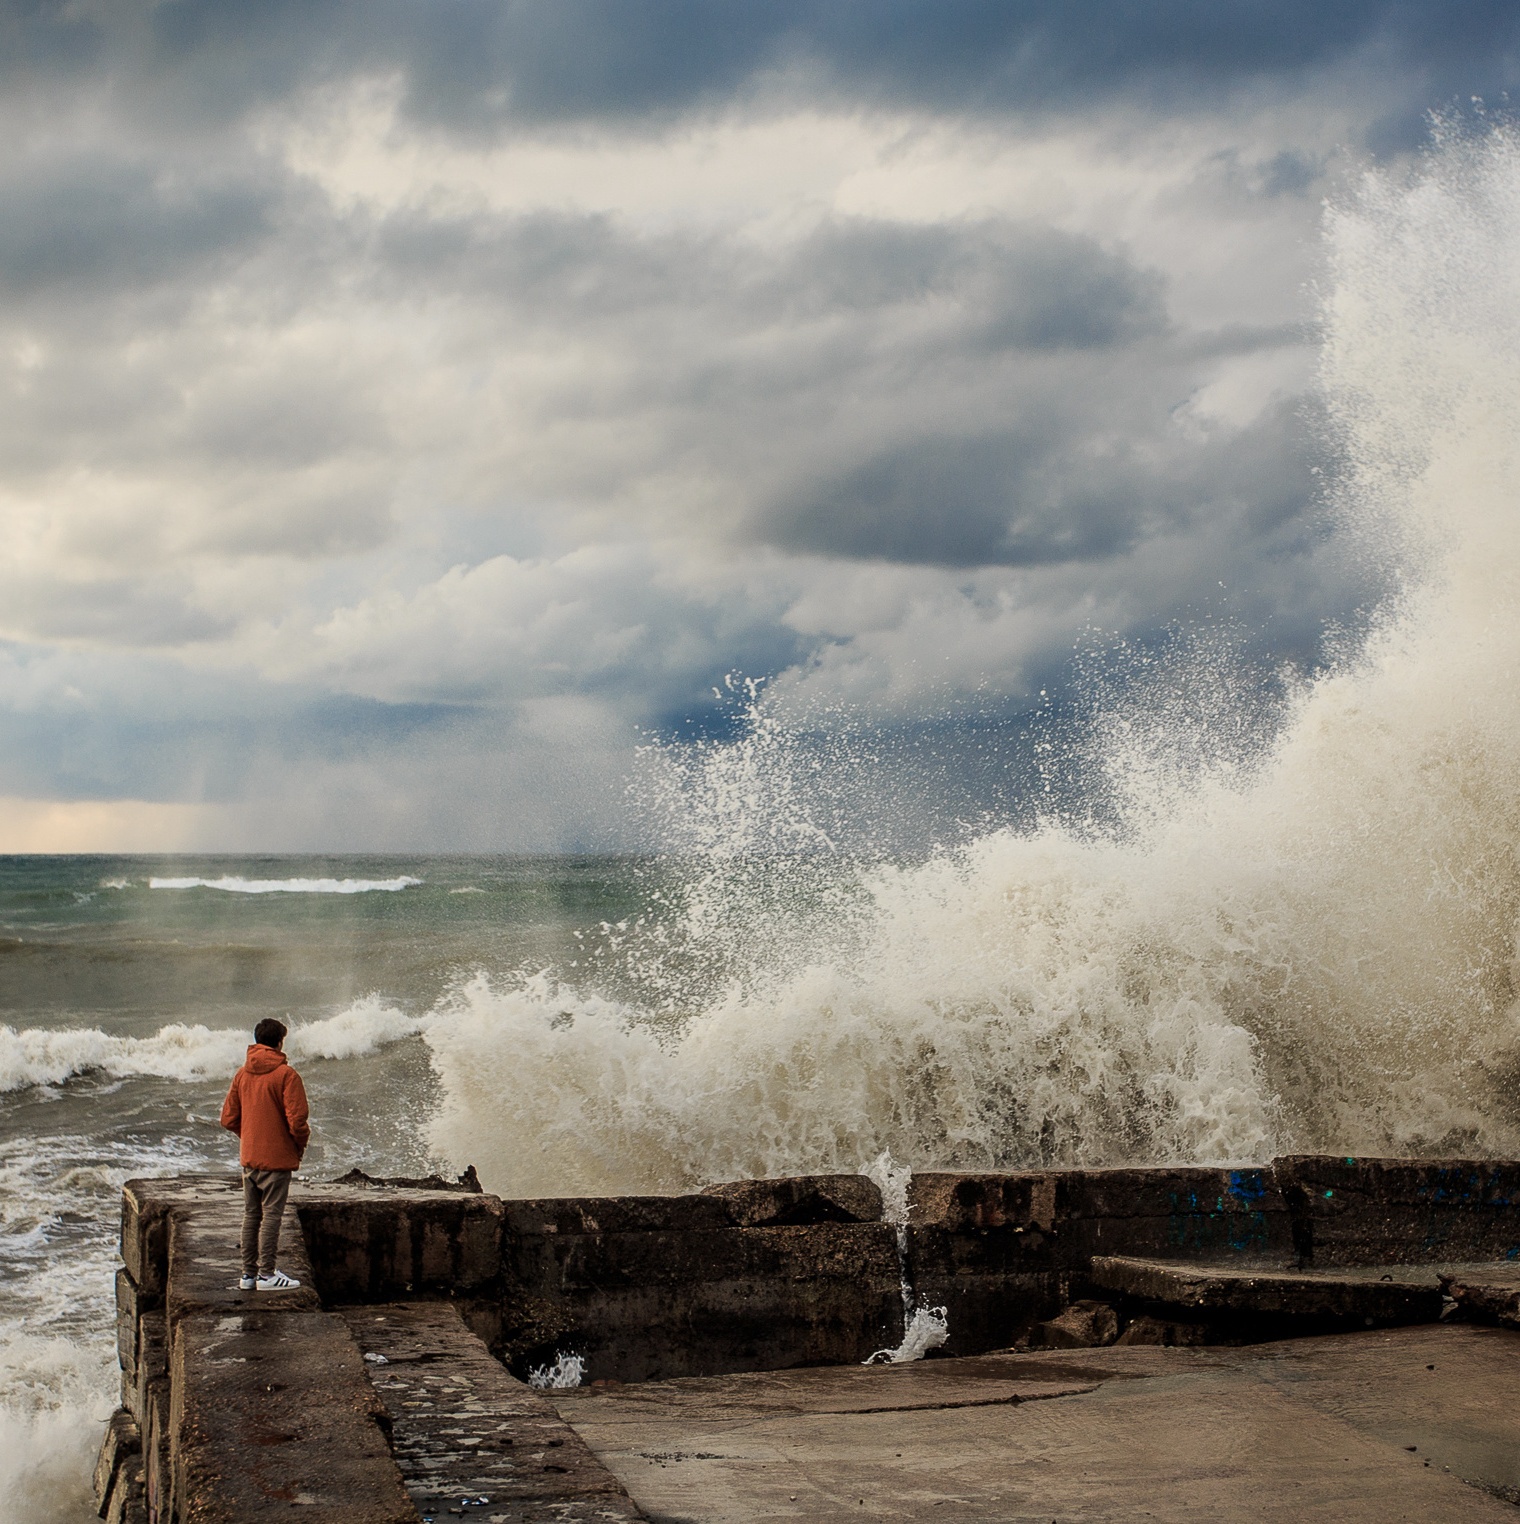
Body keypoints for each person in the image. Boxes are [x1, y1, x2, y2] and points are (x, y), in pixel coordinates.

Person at [220, 1017, 310, 1291]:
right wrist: (298, 1144)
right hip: (276, 1159)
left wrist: (250, 1137)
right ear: (279, 1042)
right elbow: (298, 1121)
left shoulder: (241, 1074)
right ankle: (268, 1275)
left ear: (257, 1040)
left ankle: (248, 1276)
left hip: (250, 1158)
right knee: (271, 1215)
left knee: (251, 1215)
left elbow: (228, 1118)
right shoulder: (287, 1075)